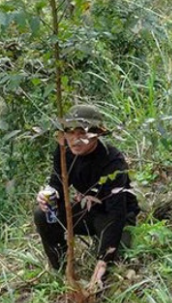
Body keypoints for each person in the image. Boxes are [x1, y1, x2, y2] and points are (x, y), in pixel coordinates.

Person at [34, 105, 140, 291]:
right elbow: (58, 182)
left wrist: (101, 264)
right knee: (42, 214)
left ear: (96, 134)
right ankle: (62, 272)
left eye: (82, 133)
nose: (75, 139)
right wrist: (48, 194)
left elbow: (116, 213)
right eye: (70, 132)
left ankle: (104, 256)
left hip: (116, 216)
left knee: (117, 262)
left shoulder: (112, 160)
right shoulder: (64, 150)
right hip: (87, 211)